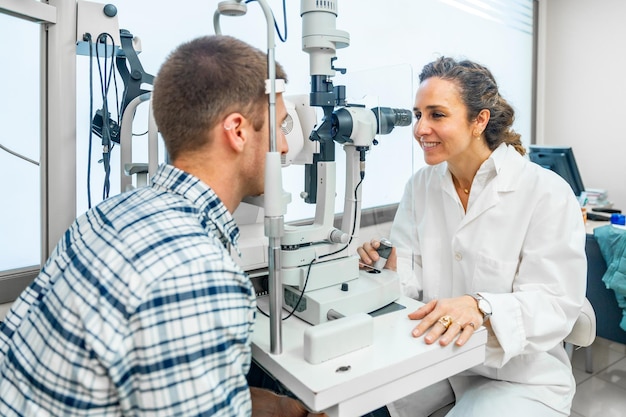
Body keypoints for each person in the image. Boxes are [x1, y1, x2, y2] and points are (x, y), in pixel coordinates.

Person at [0, 35, 323, 417]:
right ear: (237, 131)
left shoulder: (106, 216)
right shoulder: (199, 275)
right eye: (280, 127)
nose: (285, 146)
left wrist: (281, 407)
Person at [358, 57, 587, 416]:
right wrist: (387, 270)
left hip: (517, 375)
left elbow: (555, 305)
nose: (420, 129)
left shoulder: (546, 192)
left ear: (479, 120)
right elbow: (410, 288)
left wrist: (482, 306)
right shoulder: (420, 186)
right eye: (418, 114)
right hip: (439, 362)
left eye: (437, 115)